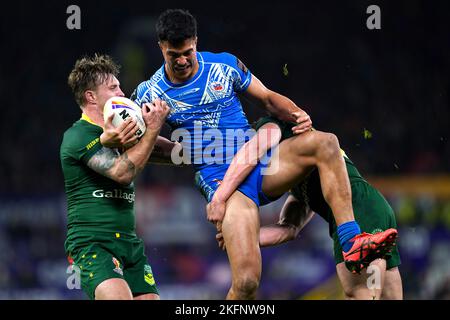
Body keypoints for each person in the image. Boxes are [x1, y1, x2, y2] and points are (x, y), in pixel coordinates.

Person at [132, 9, 396, 299]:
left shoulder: (225, 66)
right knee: (246, 283)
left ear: (195, 40)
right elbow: (139, 147)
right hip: (225, 185)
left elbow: (269, 98)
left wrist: (296, 113)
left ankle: (350, 240)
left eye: (187, 52)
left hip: (259, 164)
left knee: (326, 143)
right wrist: (171, 141)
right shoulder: (149, 93)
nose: (182, 60)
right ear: (161, 48)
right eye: (173, 55)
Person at [215, 115, 403, 300]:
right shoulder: (304, 184)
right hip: (375, 207)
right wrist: (241, 238)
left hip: (360, 212)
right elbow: (288, 229)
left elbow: (259, 144)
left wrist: (223, 192)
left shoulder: (266, 128)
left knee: (361, 292)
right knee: (389, 295)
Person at [60, 53, 171, 300]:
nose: (122, 92)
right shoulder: (78, 136)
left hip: (129, 243)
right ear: (91, 96)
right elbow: (123, 172)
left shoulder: (127, 128)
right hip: (92, 242)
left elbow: (175, 154)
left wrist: (212, 146)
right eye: (113, 87)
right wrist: (153, 129)